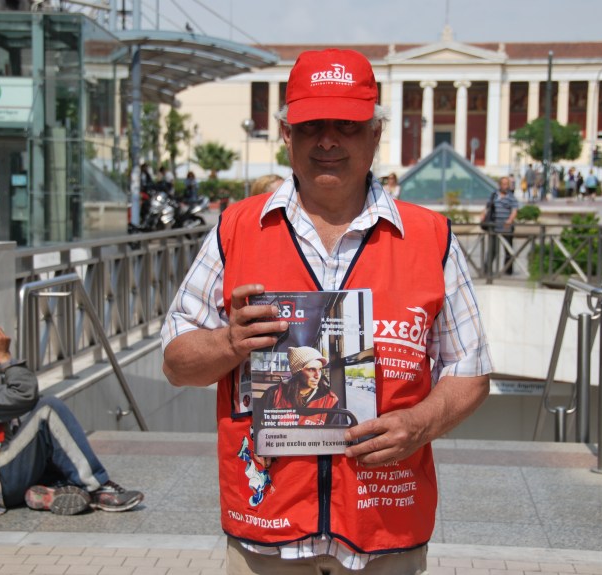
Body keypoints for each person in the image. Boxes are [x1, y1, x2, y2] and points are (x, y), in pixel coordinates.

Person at [161, 48, 491, 573]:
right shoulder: (236, 230)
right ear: (287, 135)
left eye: (348, 125)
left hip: (385, 526)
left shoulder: (431, 238)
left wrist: (420, 423)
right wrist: (228, 343)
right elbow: (176, 363)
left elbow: (469, 372)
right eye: (312, 125)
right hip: (267, 531)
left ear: (375, 135)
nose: (329, 140)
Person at [0, 321, 144, 520]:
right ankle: (98, 488)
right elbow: (24, 395)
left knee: (43, 425)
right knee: (49, 409)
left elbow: (24, 399)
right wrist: (6, 358)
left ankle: (51, 491)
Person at [261, 346, 339, 426]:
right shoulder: (274, 393)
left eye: (320, 370)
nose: (317, 376)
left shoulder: (330, 400)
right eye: (311, 370)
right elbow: (260, 426)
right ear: (297, 373)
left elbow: (334, 434)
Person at [481, 176, 519, 276]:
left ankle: (508, 270)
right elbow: (487, 207)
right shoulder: (494, 195)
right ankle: (487, 269)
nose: (506, 186)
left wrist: (510, 220)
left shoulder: (511, 197)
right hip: (494, 226)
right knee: (492, 249)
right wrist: (483, 215)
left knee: (508, 250)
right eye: (504, 184)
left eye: (507, 184)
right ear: (500, 185)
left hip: (506, 227)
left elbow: (515, 210)